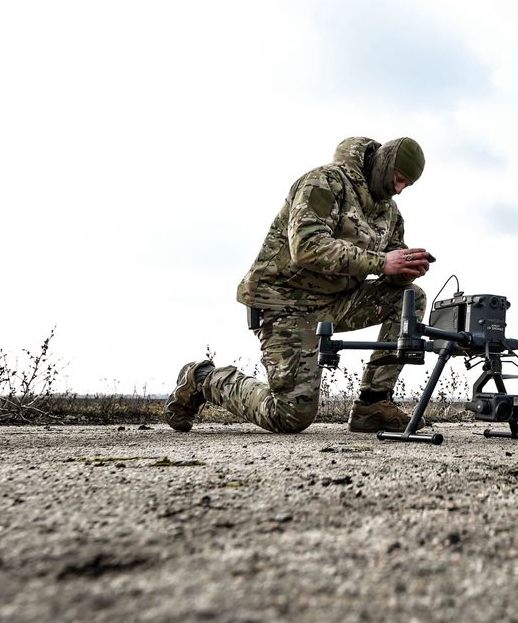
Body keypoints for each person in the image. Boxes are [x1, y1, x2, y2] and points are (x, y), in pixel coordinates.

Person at [165, 136, 432, 435]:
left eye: (406, 185)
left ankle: (373, 404)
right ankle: (203, 378)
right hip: (283, 303)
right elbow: (306, 246)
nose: (398, 190)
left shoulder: (389, 213)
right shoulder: (324, 182)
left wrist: (405, 269)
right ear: (383, 164)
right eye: (397, 180)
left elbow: (390, 260)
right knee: (290, 415)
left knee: (409, 298)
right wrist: (381, 263)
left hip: (334, 304)